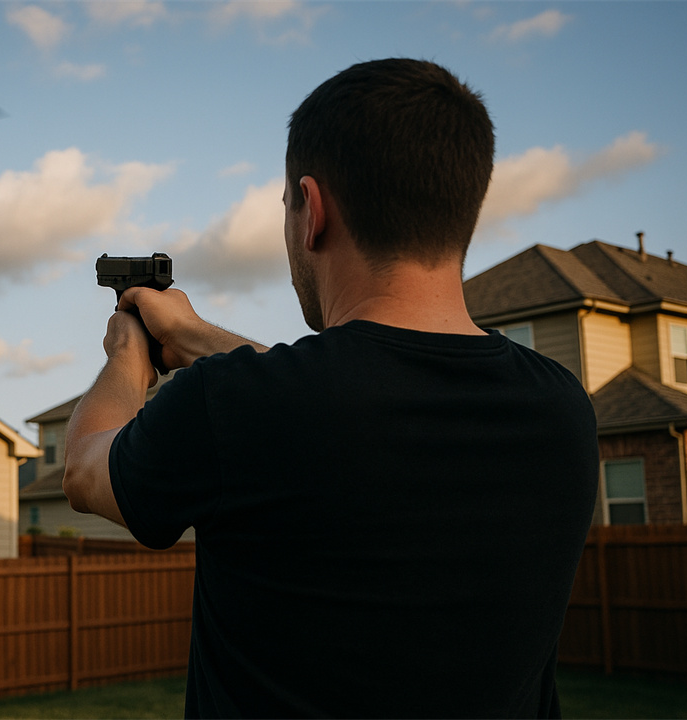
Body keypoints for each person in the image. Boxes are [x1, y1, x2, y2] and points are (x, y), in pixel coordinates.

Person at [63, 58, 599, 718]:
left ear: (312, 210)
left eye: (288, 206)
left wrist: (128, 356)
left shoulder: (237, 406)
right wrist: (200, 337)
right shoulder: (561, 409)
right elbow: (350, 392)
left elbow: (84, 469)